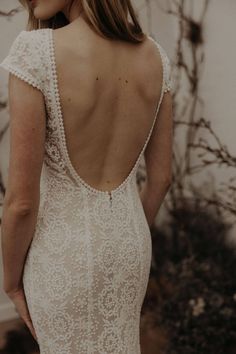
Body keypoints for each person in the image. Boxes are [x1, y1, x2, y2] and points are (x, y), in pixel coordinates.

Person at [0, 0, 173, 353]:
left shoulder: (35, 52)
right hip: (130, 244)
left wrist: (11, 283)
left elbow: (21, 203)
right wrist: (127, 237)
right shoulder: (156, 57)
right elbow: (161, 179)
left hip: (63, 252)